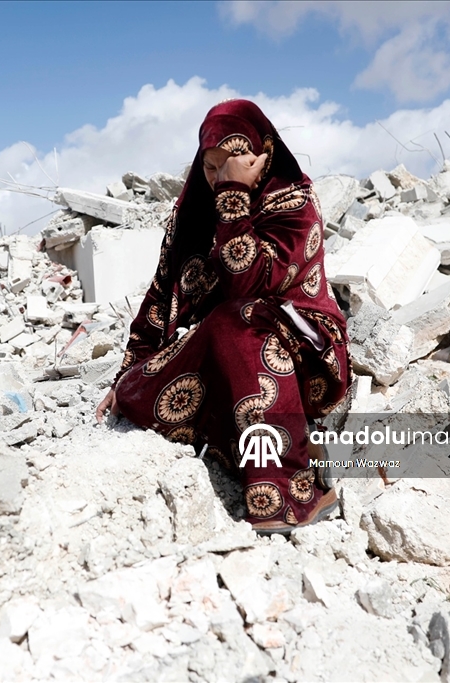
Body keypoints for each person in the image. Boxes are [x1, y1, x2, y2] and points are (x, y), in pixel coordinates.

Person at [95, 99, 351, 534]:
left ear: (265, 152)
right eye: (211, 167)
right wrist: (127, 372)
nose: (219, 179)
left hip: (306, 355)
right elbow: (160, 299)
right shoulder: (195, 215)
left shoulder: (294, 204)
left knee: (239, 319)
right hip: (226, 347)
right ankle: (236, 447)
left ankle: (289, 489)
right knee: (136, 394)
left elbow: (250, 284)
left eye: (234, 162)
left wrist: (234, 200)